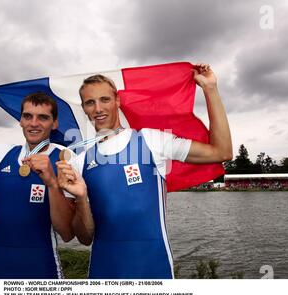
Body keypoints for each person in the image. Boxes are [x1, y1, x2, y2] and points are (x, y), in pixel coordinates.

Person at [56, 63, 233, 279]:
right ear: (84, 108)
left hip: (154, 273)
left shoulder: (151, 140)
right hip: (104, 275)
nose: (98, 108)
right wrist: (81, 198)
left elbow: (222, 152)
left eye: (105, 99)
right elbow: (84, 237)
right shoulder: (79, 162)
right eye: (90, 102)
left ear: (117, 101)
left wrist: (210, 89)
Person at [0, 89, 75, 279]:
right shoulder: (1, 152)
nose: (34, 123)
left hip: (40, 269)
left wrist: (52, 183)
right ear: (21, 121)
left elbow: (67, 233)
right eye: (27, 116)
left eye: (43, 117)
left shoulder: (66, 159)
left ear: (54, 123)